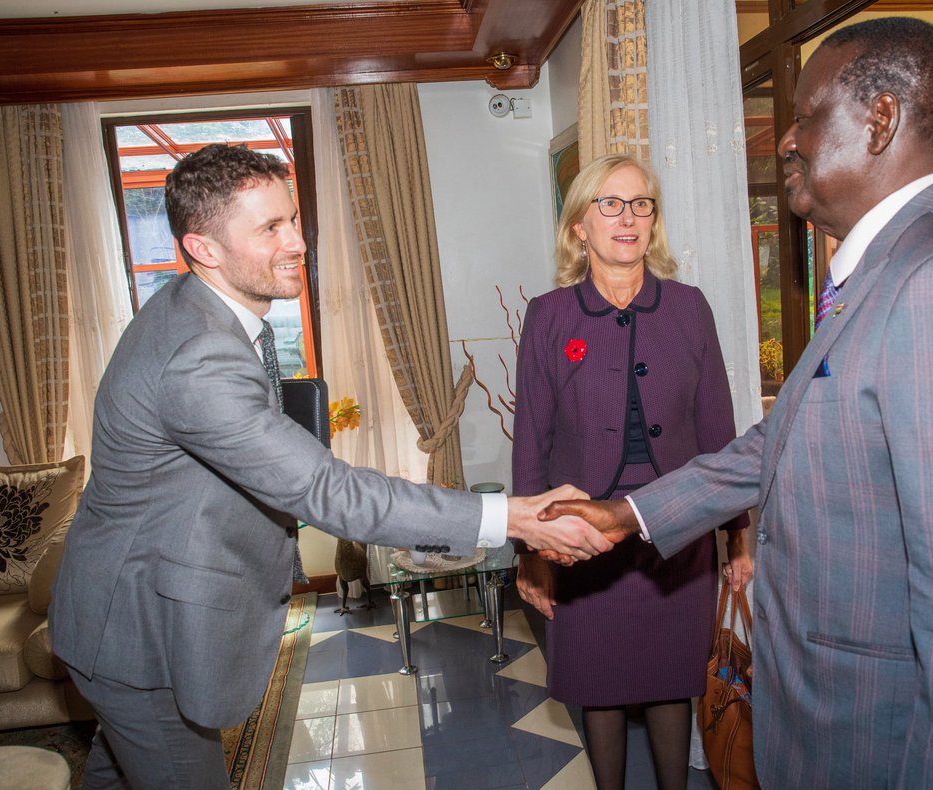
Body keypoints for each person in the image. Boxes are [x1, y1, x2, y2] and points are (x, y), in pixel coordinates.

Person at [542, 17, 933, 789]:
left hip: (899, 737)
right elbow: (786, 435)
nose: (785, 140)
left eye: (805, 116)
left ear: (879, 121)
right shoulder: (893, 265)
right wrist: (632, 513)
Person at [49, 143, 610, 790]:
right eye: (270, 228)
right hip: (140, 635)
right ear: (204, 248)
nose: (298, 242)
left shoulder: (199, 309)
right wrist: (511, 516)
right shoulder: (199, 354)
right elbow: (322, 487)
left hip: (121, 611)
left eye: (293, 218)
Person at [513, 153, 753, 790]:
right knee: (600, 682)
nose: (628, 217)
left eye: (641, 203)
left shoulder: (688, 308)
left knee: (673, 680)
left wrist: (739, 537)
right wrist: (531, 549)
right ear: (579, 227)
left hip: (677, 524)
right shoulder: (549, 317)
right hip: (582, 533)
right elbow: (530, 443)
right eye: (610, 204)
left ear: (654, 221)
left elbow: (720, 434)